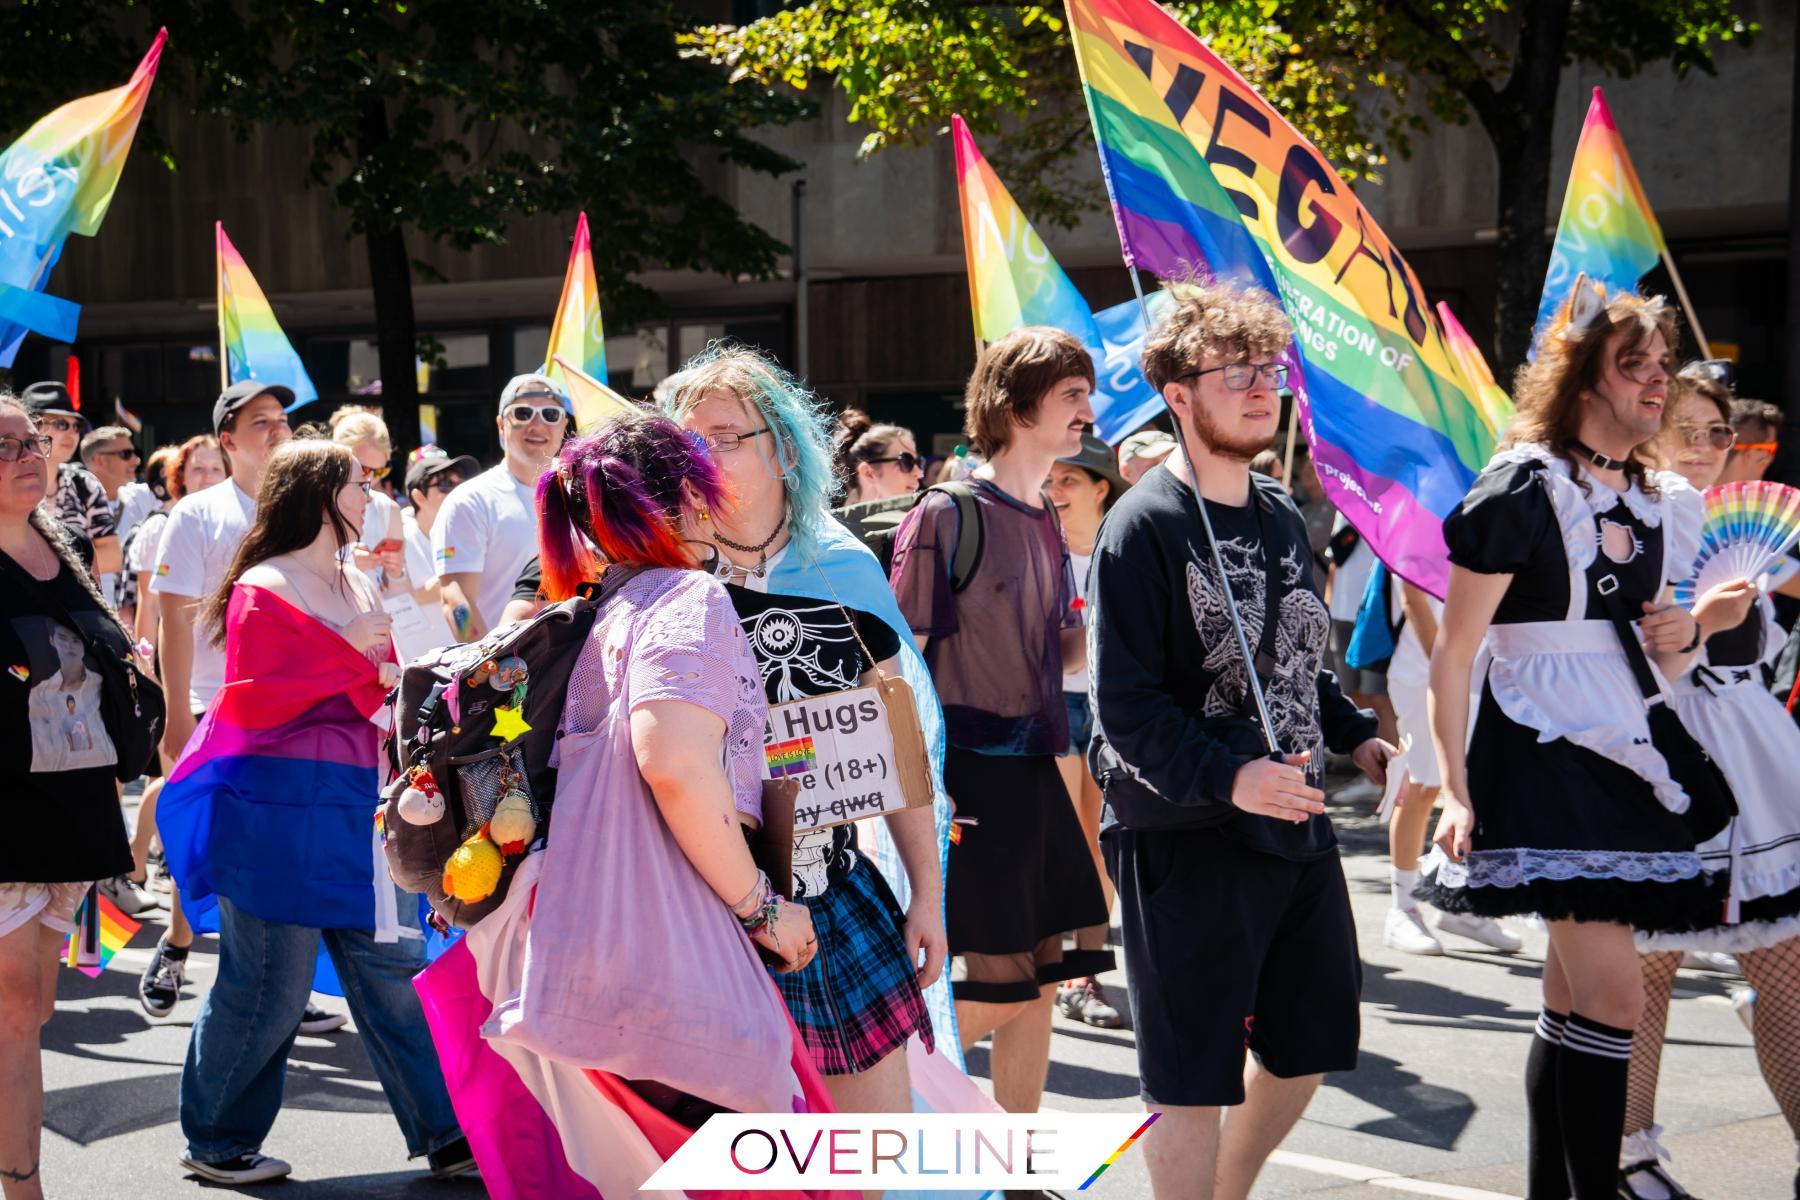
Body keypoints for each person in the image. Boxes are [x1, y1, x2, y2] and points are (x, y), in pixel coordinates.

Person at [435, 416, 835, 1194]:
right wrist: (761, 907)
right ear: (689, 496)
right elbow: (675, 764)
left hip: (590, 944)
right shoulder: (686, 597)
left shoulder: (611, 604)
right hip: (669, 949)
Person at [1417, 283, 1734, 1200]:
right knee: (1615, 998)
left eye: (1660, 367)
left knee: (1569, 1001)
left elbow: (1642, 650)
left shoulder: (1657, 500)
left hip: (1626, 744)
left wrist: (1682, 636)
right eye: (1631, 365)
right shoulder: (1524, 484)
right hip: (1541, 745)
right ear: (1581, 380)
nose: (1654, 384)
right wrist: (1454, 785)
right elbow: (1456, 651)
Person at [1086, 282, 1391, 1200]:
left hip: (1293, 824)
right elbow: (1125, 708)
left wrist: (1358, 737)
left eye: (1271, 370)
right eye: (1236, 373)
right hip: (1186, 832)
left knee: (1309, 1046)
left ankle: (1227, 1190)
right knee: (1191, 1080)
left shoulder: (1279, 511)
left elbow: (1298, 658)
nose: (1264, 390)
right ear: (1179, 395)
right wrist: (1230, 778)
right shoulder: (1141, 527)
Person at [159, 439, 469, 1185]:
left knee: (393, 966)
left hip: (355, 804)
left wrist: (382, 649)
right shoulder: (263, 583)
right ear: (320, 494)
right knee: (270, 981)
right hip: (276, 809)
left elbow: (382, 673)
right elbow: (255, 696)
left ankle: (447, 1130)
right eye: (358, 485)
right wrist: (349, 652)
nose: (369, 496)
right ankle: (217, 1139)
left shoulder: (353, 579)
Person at [662, 347, 948, 1111]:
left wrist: (928, 895)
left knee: (865, 1159)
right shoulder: (659, 570)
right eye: (689, 440)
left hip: (833, 894)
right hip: (698, 907)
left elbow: (896, 748)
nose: (704, 455)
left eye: (725, 435)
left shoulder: (844, 571)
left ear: (783, 447)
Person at [889, 325, 1113, 1115]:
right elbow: (898, 668)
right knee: (1005, 984)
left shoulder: (1046, 516)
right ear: (1019, 405)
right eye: (1073, 394)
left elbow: (1061, 656)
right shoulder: (946, 514)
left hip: (1034, 764)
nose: (1090, 408)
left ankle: (1015, 1171)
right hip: (968, 774)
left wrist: (1122, 617)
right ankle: (876, 1092)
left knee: (1044, 980)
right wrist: (920, 793)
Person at [1616, 372, 1800, 1200]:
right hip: (1661, 762)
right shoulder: (1620, 525)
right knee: (1646, 973)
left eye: (1718, 432)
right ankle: (1628, 1161)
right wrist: (1705, 621)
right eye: (1684, 427)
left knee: (1787, 963)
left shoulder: (1744, 534)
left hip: (1757, 762)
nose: (1702, 445)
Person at [143, 382, 346, 1036]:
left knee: (278, 850)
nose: (278, 432)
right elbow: (173, 618)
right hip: (214, 707)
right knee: (211, 846)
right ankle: (178, 946)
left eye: (283, 421)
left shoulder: (313, 513)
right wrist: (178, 713)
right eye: (261, 424)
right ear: (227, 441)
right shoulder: (197, 515)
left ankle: (283, 979)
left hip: (294, 714)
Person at [0, 394, 136, 1200]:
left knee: (38, 1007)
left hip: (80, 802)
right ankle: (24, 1186)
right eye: (3, 444)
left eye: (31, 439)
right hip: (6, 803)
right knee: (18, 1007)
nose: (26, 452)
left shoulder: (66, 548)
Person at [1381, 574, 1523, 956]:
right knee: (1423, 787)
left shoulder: (1485, 519)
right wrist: (1449, 670)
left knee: (1471, 791)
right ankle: (1402, 908)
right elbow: (1413, 600)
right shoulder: (1417, 519)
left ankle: (1458, 901)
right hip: (1425, 675)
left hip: (1476, 676)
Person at [1044, 432, 1127, 1029]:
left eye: (1068, 479)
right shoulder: (1035, 547)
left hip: (1112, 708)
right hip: (1048, 706)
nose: (1055, 489)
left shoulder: (1126, 551)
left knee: (1104, 843)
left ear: (1102, 488)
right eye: (1050, 479)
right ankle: (1047, 970)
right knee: (1061, 842)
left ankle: (1084, 971)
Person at [433, 373, 569, 642]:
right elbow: (455, 601)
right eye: (523, 413)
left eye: (550, 415)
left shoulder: (585, 493)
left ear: (564, 424)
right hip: (506, 673)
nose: (537, 424)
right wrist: (488, 669)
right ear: (500, 424)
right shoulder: (471, 501)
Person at [19, 382, 119, 581]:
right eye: (61, 424)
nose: (72, 433)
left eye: (76, 426)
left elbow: (113, 556)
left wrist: (47, 565)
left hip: (74, 604)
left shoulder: (84, 484)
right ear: (31, 427)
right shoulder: (9, 481)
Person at [398, 446, 476, 651]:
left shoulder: (468, 533)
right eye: (444, 484)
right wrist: (456, 581)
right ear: (418, 497)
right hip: (418, 666)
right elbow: (403, 596)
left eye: (459, 483)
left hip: (464, 661)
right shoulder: (398, 539)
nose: (456, 491)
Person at [330, 409, 406, 589]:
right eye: (363, 469)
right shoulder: (314, 505)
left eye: (380, 471)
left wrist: (396, 573)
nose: (370, 479)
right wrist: (344, 564)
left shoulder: (387, 508)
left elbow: (400, 594)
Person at [78, 424, 142, 616]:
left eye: (135, 453)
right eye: (126, 454)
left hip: (132, 617)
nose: (136, 460)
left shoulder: (141, 498)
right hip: (89, 614)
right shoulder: (69, 504)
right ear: (100, 460)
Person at [834, 407, 924, 505]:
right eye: (906, 461)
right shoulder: (827, 520)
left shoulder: (922, 518)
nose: (919, 473)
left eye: (918, 462)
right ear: (868, 473)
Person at [1720, 395, 1783, 485]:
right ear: (1748, 455)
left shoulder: (1696, 494)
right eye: (1770, 449)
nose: (1771, 458)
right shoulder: (1776, 498)